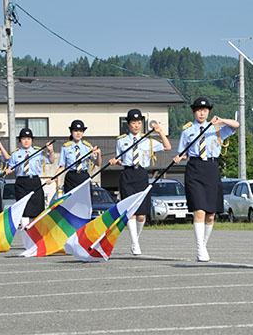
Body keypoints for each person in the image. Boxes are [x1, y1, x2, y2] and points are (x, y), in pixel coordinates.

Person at [173, 97, 239, 262]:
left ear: (208, 112)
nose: (201, 113)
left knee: (210, 214)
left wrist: (221, 120)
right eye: (198, 110)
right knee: (199, 209)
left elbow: (236, 125)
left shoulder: (217, 128)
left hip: (211, 168)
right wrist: (180, 157)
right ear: (194, 112)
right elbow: (184, 151)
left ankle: (203, 244)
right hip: (194, 168)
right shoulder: (188, 130)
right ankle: (200, 248)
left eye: (204, 110)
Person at [109, 109, 171, 255]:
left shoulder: (148, 140)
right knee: (130, 211)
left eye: (138, 123)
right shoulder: (121, 140)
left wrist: (160, 132)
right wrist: (115, 161)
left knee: (141, 214)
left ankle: (136, 238)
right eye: (133, 123)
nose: (136, 125)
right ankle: (135, 243)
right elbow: (121, 160)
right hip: (127, 174)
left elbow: (167, 147)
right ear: (128, 124)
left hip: (142, 174)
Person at [5, 128, 55, 227]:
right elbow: (10, 167)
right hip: (21, 182)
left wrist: (51, 151)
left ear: (32, 140)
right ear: (20, 141)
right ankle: (25, 230)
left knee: (37, 207)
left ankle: (35, 231)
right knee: (23, 208)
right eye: (24, 139)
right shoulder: (15, 154)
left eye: (28, 138)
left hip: (34, 181)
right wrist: (9, 170)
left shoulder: (38, 151)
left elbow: (51, 161)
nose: (26, 141)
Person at [51, 120, 101, 194]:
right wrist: (53, 178)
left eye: (80, 131)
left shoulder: (87, 147)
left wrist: (99, 154)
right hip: (71, 177)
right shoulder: (66, 147)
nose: (78, 133)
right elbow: (62, 166)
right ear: (71, 132)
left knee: (85, 203)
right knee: (71, 203)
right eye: (75, 130)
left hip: (83, 176)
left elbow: (97, 163)